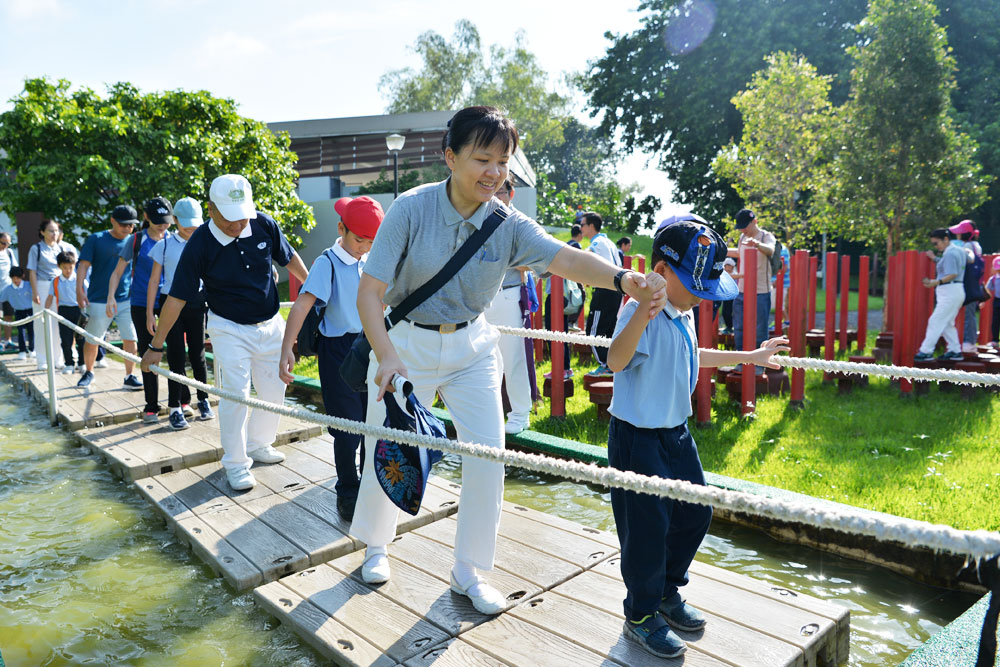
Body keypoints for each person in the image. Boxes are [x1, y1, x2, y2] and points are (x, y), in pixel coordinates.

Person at [352, 105, 667, 615]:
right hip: (405, 346)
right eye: (483, 159)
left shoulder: (507, 222)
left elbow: (563, 257)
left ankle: (469, 571)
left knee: (488, 455)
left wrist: (620, 278)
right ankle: (376, 545)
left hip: (474, 347)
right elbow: (370, 294)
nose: (495, 172)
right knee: (391, 446)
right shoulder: (410, 209)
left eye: (504, 160)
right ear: (450, 158)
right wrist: (386, 356)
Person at [606, 221, 788, 658]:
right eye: (694, 284)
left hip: (676, 433)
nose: (701, 294)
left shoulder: (682, 312)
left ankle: (666, 591)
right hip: (638, 438)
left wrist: (749, 357)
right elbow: (615, 359)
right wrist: (643, 309)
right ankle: (641, 613)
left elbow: (692, 354)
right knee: (646, 530)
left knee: (695, 513)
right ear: (662, 271)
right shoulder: (640, 310)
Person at [141, 174, 309, 491]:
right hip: (228, 327)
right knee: (236, 394)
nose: (237, 224)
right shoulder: (200, 244)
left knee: (275, 389)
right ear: (211, 209)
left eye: (242, 215)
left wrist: (316, 290)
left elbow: (289, 259)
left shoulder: (263, 224)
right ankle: (235, 461)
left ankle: (259, 443)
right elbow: (176, 299)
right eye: (230, 218)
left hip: (270, 322)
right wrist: (156, 345)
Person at [280, 195, 383, 521]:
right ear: (342, 228)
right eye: (358, 239)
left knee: (372, 422)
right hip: (338, 350)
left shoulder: (370, 259)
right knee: (346, 426)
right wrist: (287, 348)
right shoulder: (328, 262)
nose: (363, 247)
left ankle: (370, 483)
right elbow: (302, 304)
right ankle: (347, 490)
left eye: (370, 242)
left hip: (369, 346)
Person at [147, 197, 214, 430]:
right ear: (174, 220)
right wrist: (149, 314)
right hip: (170, 302)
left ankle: (203, 399)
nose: (191, 228)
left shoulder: (204, 243)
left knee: (198, 355)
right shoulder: (164, 245)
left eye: (195, 223)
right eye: (185, 223)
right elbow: (154, 281)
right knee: (175, 355)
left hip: (197, 303)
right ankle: (175, 407)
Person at [108, 198, 173, 423]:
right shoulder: (136, 240)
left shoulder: (174, 239)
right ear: (146, 217)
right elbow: (117, 272)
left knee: (175, 351)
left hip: (168, 301)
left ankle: (179, 403)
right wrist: (111, 297)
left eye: (165, 221)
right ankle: (152, 406)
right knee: (147, 352)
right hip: (140, 302)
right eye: (157, 221)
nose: (162, 226)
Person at [484, 178, 535, 434]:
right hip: (481, 298)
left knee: (513, 358)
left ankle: (520, 414)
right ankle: (492, 415)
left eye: (500, 191)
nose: (495, 195)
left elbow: (535, 261)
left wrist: (502, 258)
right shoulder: (481, 215)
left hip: (508, 295)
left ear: (511, 193)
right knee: (486, 360)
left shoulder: (519, 222)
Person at [77, 205, 141, 388]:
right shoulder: (96, 239)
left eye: (131, 225)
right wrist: (79, 289)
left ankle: (130, 376)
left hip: (126, 298)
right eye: (123, 224)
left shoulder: (133, 240)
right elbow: (83, 266)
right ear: (112, 220)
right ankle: (89, 372)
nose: (127, 229)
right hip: (98, 298)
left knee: (131, 338)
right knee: (93, 338)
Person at [26, 219, 76, 370]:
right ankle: (42, 360)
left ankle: (58, 358)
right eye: (50, 231)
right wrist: (35, 292)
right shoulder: (36, 248)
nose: (54, 234)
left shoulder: (62, 248)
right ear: (42, 232)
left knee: (57, 325)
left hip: (59, 286)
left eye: (56, 230)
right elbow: (32, 272)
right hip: (42, 286)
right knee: (41, 324)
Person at [728, 208, 775, 368]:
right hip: (741, 290)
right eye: (740, 227)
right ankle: (742, 360)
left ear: (754, 222)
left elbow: (771, 249)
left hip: (761, 291)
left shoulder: (765, 236)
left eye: (744, 226)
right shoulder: (742, 237)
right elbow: (740, 253)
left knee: (760, 328)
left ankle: (760, 363)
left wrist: (757, 244)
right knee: (739, 326)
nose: (742, 230)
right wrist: (721, 250)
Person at [581, 211, 623, 377]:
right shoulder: (609, 242)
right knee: (609, 329)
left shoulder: (597, 243)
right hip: (616, 290)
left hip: (605, 290)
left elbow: (590, 259)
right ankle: (612, 365)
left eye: (583, 225)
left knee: (594, 330)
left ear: (591, 226)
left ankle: (605, 365)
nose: (581, 228)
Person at [914, 228, 966, 361]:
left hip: (950, 290)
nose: (935, 246)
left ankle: (926, 351)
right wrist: (935, 259)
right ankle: (955, 351)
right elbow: (950, 267)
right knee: (947, 323)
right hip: (954, 290)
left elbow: (952, 273)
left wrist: (936, 282)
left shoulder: (951, 253)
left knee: (936, 320)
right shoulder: (956, 250)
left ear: (946, 239)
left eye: (936, 243)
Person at [44, 251, 86, 373]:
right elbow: (50, 298)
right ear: (59, 266)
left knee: (81, 339)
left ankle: (82, 363)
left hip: (78, 310)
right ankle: (69, 364)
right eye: (65, 267)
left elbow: (87, 295)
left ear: (74, 265)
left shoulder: (80, 279)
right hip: (63, 311)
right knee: (66, 339)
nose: (68, 270)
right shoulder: (55, 281)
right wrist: (45, 312)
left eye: (70, 267)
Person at [949, 220, 983, 353]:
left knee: (969, 314)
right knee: (970, 314)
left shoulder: (968, 246)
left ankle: (969, 342)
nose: (957, 236)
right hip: (973, 284)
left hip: (968, 284)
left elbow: (968, 260)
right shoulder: (975, 244)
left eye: (959, 233)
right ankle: (968, 341)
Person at [1, 267, 33, 359]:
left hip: (30, 311)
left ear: (22, 276)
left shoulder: (28, 285)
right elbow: (2, 298)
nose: (16, 280)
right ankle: (22, 351)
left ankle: (32, 349)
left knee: (31, 331)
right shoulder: (8, 289)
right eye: (14, 278)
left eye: (18, 278)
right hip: (18, 312)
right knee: (21, 332)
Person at [0, 232, 17, 350]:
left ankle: (8, 340)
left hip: (7, 290)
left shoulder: (9, 253)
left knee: (8, 316)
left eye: (8, 243)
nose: (6, 245)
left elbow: (14, 269)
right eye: (3, 243)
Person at [985, 257, 1000, 349]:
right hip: (997, 300)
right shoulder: (994, 279)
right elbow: (987, 288)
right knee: (995, 321)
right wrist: (984, 299)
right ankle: (995, 340)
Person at [720, 257, 736, 334]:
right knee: (725, 312)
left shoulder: (734, 274)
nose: (726, 267)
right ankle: (728, 326)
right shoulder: (724, 274)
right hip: (726, 296)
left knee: (730, 312)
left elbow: (733, 277)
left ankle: (730, 327)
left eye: (728, 266)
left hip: (733, 297)